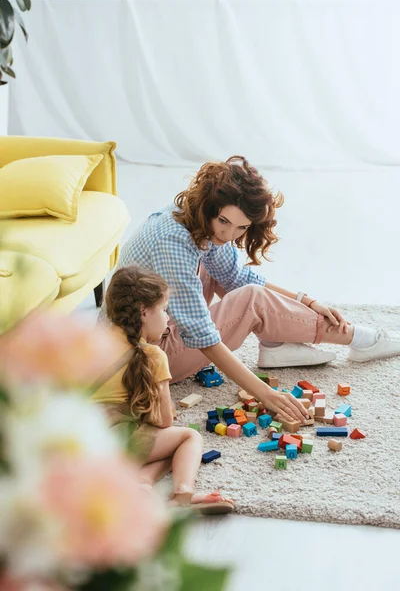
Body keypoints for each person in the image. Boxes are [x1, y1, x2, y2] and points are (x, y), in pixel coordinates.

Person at [103, 155, 400, 423]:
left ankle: (275, 343)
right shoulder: (173, 243)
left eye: (241, 228)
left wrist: (307, 301)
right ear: (209, 207)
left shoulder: (194, 219)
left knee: (224, 272)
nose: (229, 233)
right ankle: (358, 338)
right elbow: (202, 335)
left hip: (151, 327)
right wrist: (264, 394)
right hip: (141, 357)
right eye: (224, 221)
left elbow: (236, 276)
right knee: (250, 301)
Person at [92, 265, 234, 514]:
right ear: (144, 313)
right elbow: (164, 421)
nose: (168, 318)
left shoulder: (92, 342)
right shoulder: (151, 355)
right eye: (164, 310)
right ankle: (182, 494)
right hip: (114, 445)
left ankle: (142, 484)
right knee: (187, 438)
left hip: (82, 443)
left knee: (162, 444)